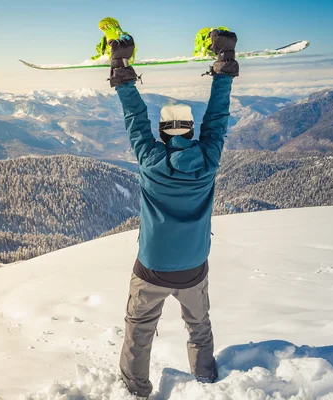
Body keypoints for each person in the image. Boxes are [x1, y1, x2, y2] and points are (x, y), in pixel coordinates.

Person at [107, 29, 239, 398]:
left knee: (139, 328)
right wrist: (223, 64)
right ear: (191, 130)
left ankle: (136, 388)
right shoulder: (208, 159)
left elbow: (134, 118)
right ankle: (206, 377)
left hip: (152, 266)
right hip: (194, 267)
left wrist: (121, 67)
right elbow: (219, 117)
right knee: (199, 326)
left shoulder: (151, 160)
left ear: (163, 133)